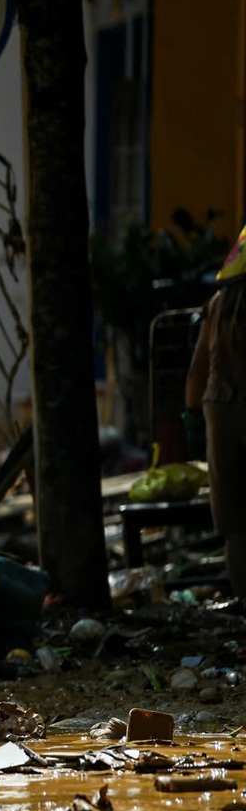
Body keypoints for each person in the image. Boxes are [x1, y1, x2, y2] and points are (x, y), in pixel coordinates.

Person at [185, 225, 246, 594]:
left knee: (236, 527)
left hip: (221, 418)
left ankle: (242, 603)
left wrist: (192, 418)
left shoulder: (219, 305)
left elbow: (195, 373)